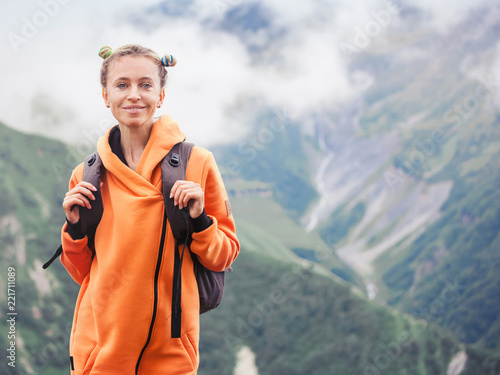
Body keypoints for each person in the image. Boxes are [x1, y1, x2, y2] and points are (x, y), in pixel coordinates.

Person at [60, 44, 239, 375]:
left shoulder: (195, 163)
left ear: (161, 95)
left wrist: (200, 219)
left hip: (169, 353)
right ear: (105, 95)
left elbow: (224, 255)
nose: (134, 96)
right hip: (98, 350)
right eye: (122, 85)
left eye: (145, 84)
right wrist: (73, 227)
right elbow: (81, 272)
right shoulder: (86, 175)